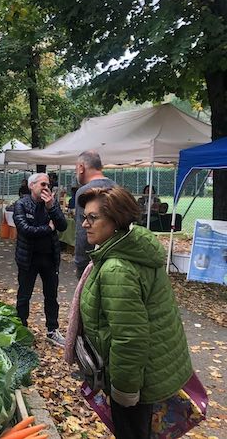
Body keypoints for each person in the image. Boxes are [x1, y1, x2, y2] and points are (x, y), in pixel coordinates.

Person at [76, 186, 192, 439]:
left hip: (136, 378)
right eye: (84, 217)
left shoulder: (117, 268)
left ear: (116, 220)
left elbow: (129, 338)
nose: (85, 224)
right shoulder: (133, 247)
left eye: (93, 218)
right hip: (150, 368)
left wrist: (125, 391)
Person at [13, 173, 67, 346]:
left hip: (50, 258)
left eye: (48, 185)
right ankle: (21, 330)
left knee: (51, 296)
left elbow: (63, 226)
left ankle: (52, 330)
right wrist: (47, 228)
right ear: (32, 186)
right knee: (24, 296)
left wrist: (51, 207)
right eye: (43, 184)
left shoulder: (51, 204)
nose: (46, 188)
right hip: (28, 258)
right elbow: (25, 230)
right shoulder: (21, 204)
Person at [74, 150, 116, 278]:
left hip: (94, 264)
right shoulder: (118, 188)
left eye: (76, 169)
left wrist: (80, 264)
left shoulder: (84, 192)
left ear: (81, 168)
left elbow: (83, 232)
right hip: (118, 260)